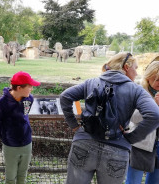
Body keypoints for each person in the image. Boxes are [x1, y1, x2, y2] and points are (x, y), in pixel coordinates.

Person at [59, 52, 159, 184]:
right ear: (126, 67)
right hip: (117, 148)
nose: (136, 73)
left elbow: (65, 96)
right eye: (135, 68)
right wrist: (132, 137)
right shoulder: (136, 90)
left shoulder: (91, 82)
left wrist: (74, 125)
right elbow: (155, 115)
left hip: (83, 145)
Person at [0, 71, 41, 184]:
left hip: (27, 143)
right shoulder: (1, 104)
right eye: (29, 86)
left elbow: (25, 115)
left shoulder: (29, 99)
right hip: (10, 146)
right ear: (19, 88)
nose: (31, 89)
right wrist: (6, 138)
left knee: (22, 175)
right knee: (10, 178)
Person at [125, 61, 159, 184]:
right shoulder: (138, 91)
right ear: (148, 76)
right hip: (141, 144)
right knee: (133, 181)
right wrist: (155, 106)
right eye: (156, 79)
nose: (158, 83)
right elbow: (133, 118)